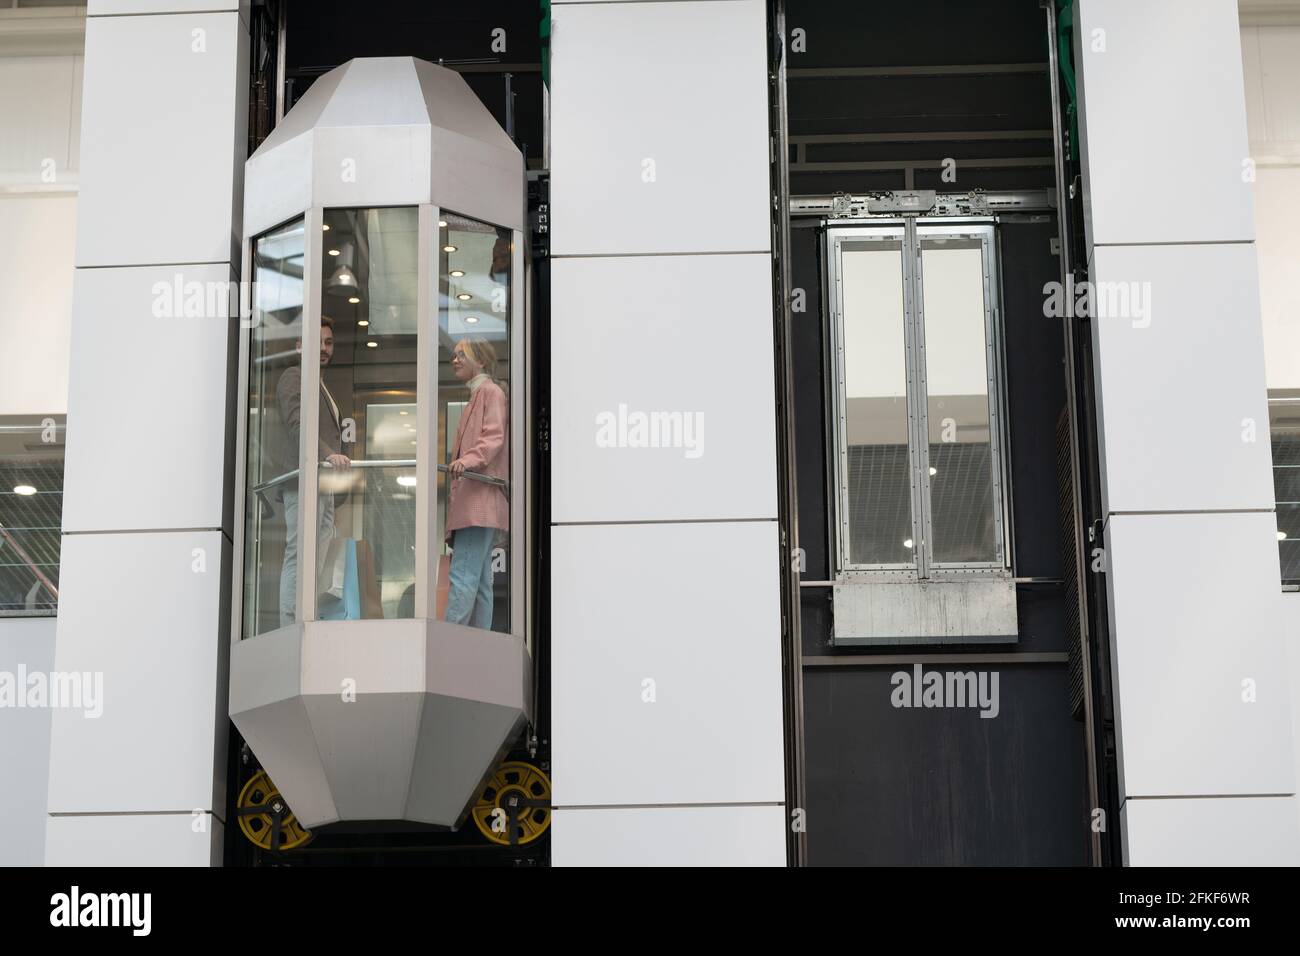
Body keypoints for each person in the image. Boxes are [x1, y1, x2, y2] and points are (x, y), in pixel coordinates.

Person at [276, 315, 350, 626]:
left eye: (329, 342)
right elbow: (298, 423)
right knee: (300, 552)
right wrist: (328, 454)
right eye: (316, 341)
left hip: (324, 484)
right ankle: (292, 624)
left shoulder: (320, 384)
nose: (324, 348)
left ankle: (305, 618)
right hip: (305, 480)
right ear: (298, 346)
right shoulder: (295, 376)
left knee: (316, 556)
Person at [444, 337, 508, 629]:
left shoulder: (490, 393)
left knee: (463, 576)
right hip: (478, 501)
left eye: (462, 355)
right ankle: (478, 643)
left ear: (480, 361)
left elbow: (493, 438)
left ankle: (451, 641)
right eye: (454, 355)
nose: (455, 360)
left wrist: (466, 461)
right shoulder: (480, 395)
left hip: (478, 502)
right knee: (480, 580)